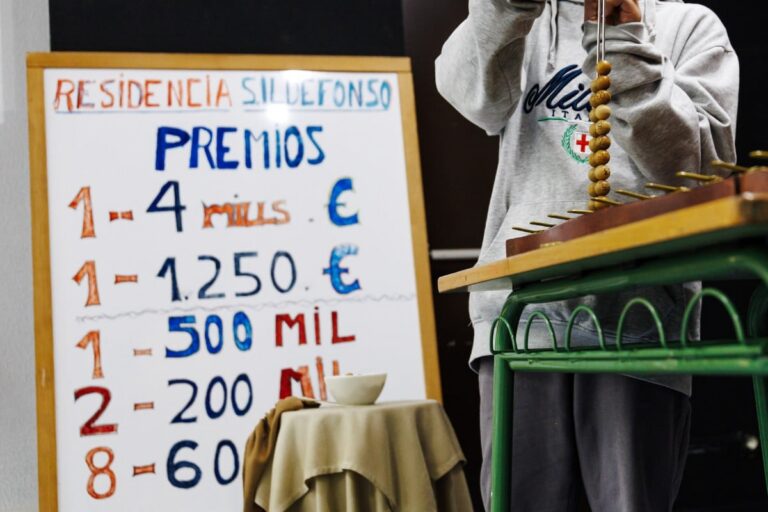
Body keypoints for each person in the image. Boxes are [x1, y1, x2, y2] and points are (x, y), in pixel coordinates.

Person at [435, 0, 739, 510]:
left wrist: (622, 43)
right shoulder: (527, 19)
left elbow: (701, 171)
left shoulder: (690, 25)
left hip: (640, 325)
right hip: (520, 323)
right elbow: (468, 96)